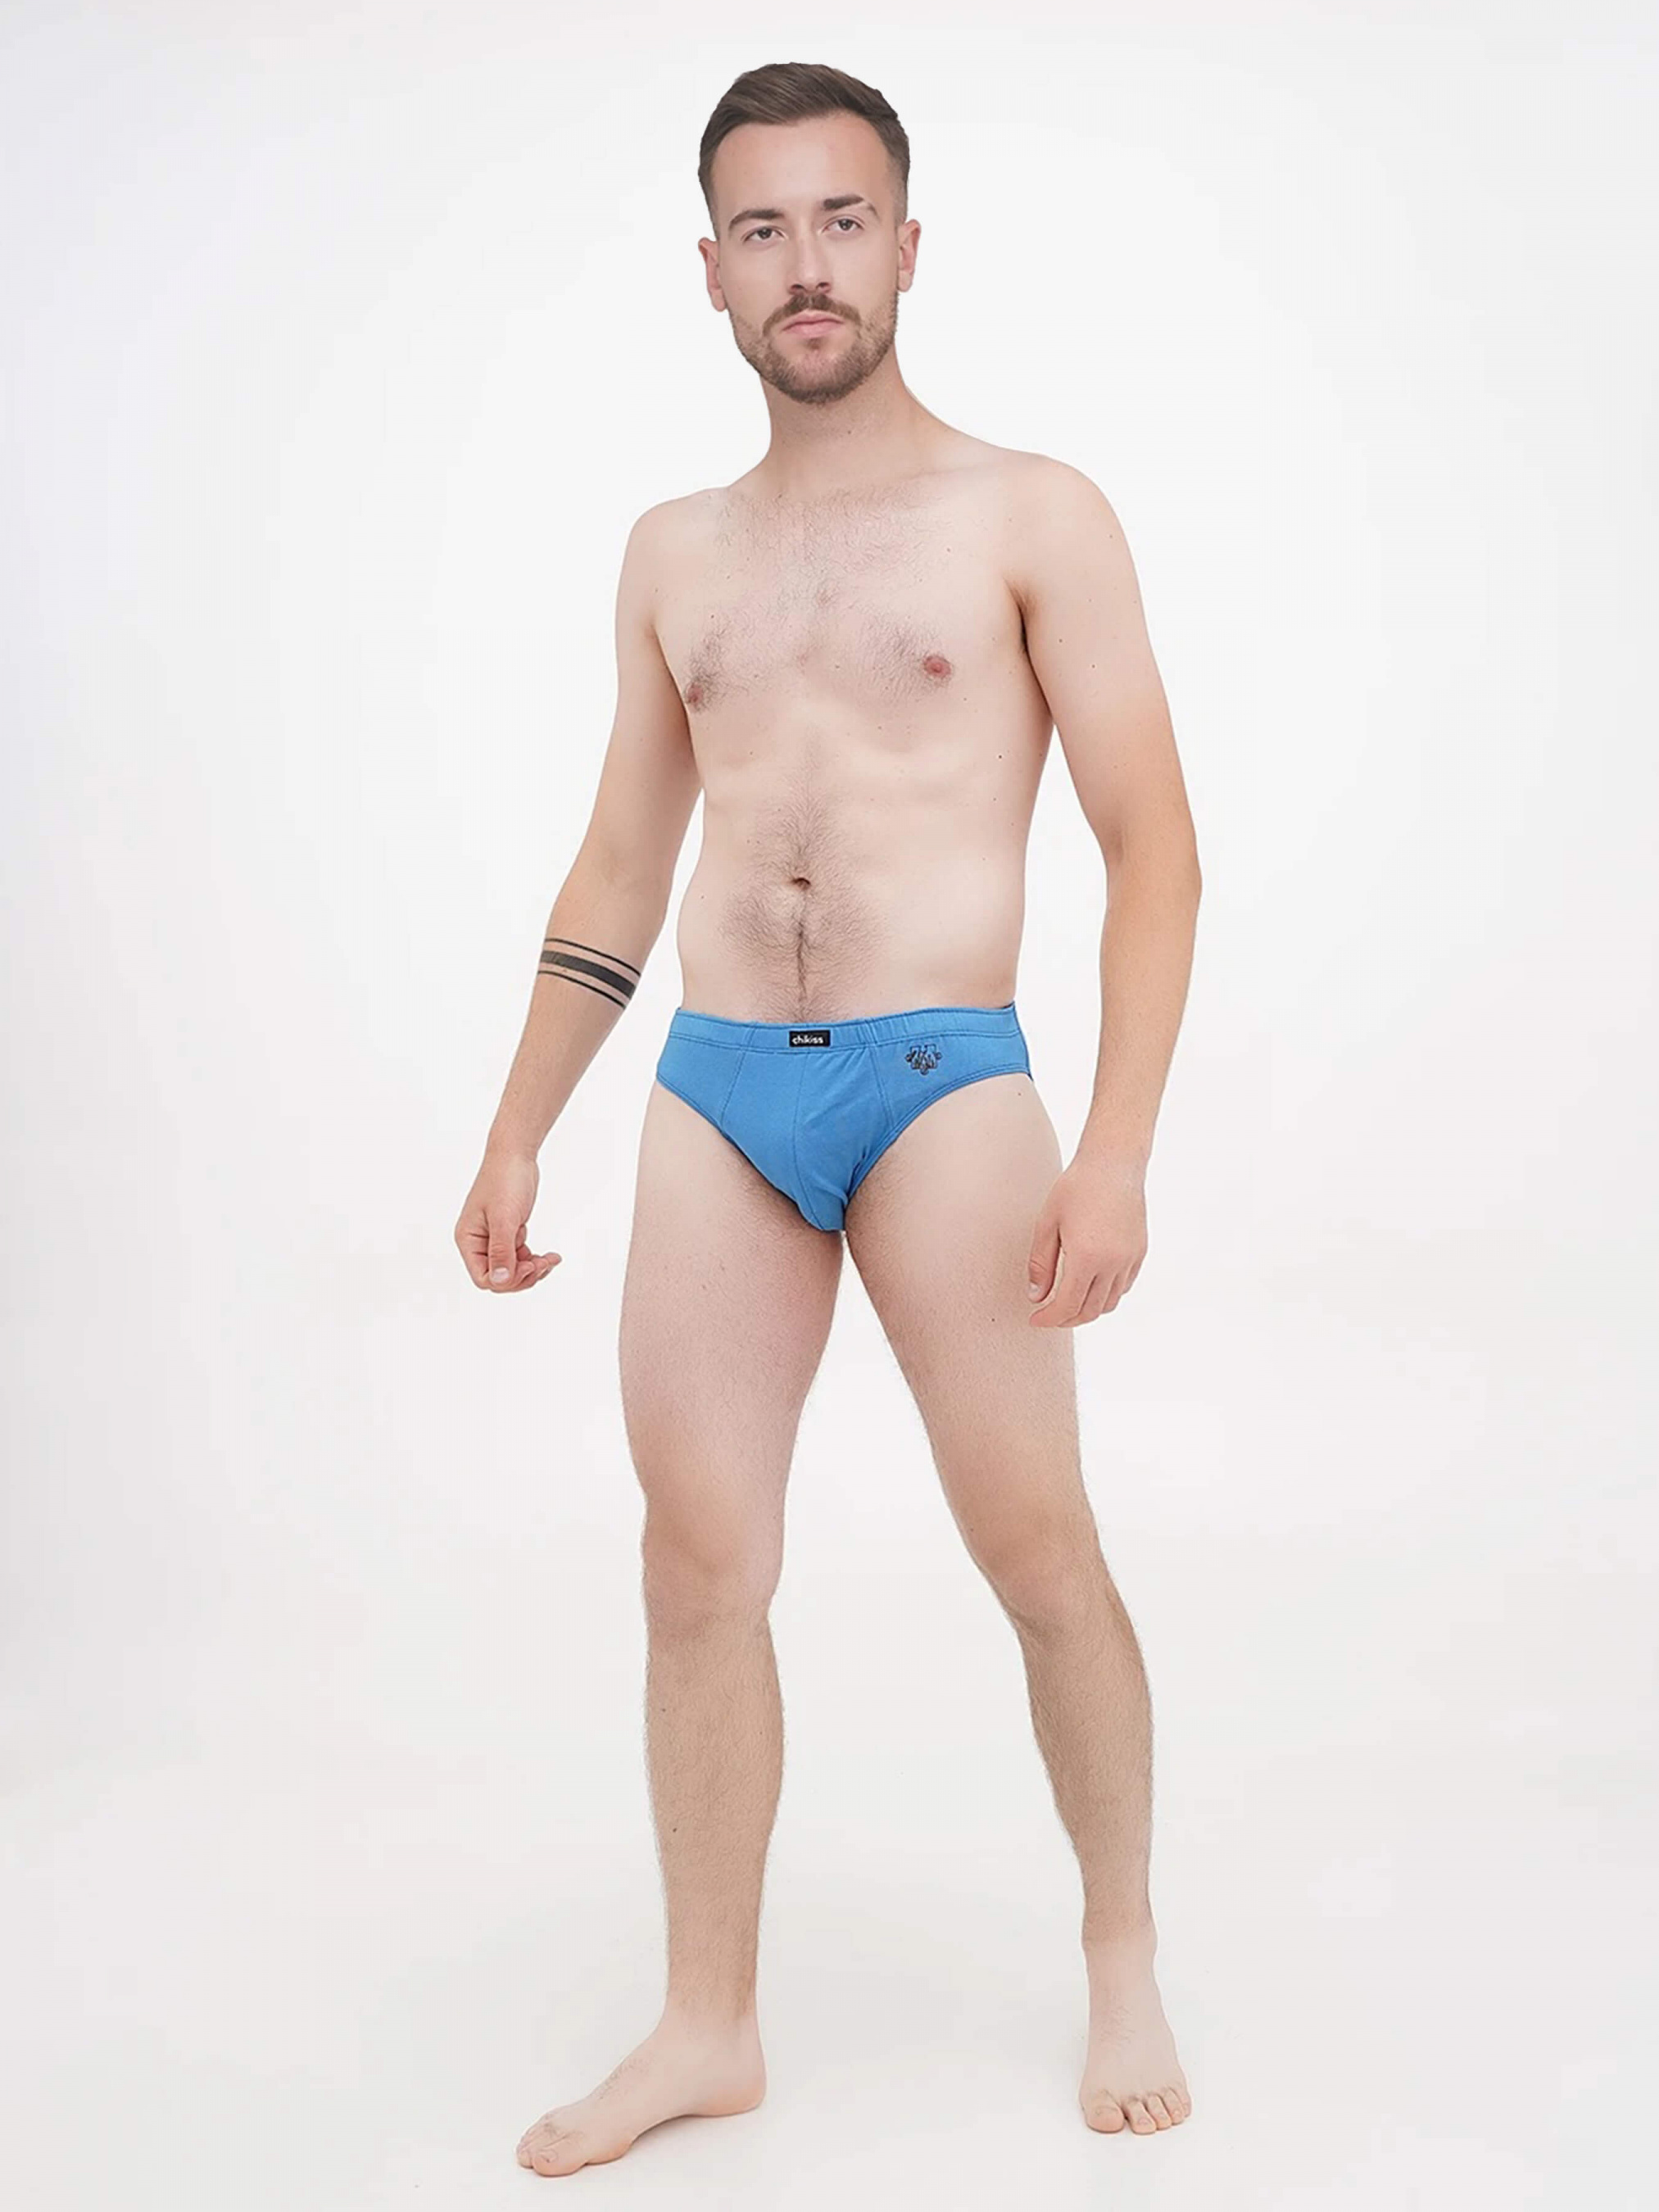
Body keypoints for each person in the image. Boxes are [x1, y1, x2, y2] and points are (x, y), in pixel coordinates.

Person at [454, 60, 1202, 2179]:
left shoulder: (1029, 514)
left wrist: (1117, 1149)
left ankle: (1122, 1946)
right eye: (765, 229)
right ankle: (708, 2022)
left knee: (1035, 1547)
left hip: (943, 1075)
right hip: (715, 1083)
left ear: (907, 247)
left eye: (843, 220)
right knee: (696, 1563)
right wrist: (518, 1123)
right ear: (710, 271)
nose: (808, 265)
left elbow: (1154, 846)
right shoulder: (671, 553)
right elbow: (623, 857)